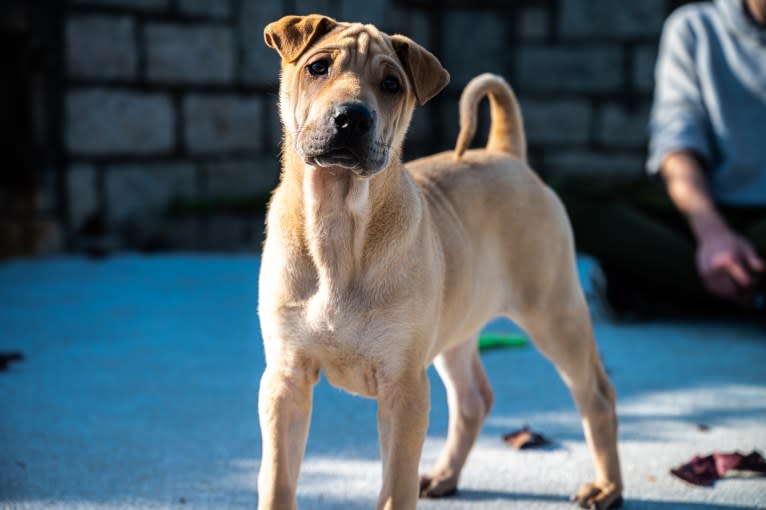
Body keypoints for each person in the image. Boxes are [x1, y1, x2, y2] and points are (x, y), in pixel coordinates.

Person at [555, 0, 766, 317]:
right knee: (564, 198)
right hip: (701, 217)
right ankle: (741, 288)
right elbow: (676, 142)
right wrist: (713, 235)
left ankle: (666, 291)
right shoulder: (693, 27)